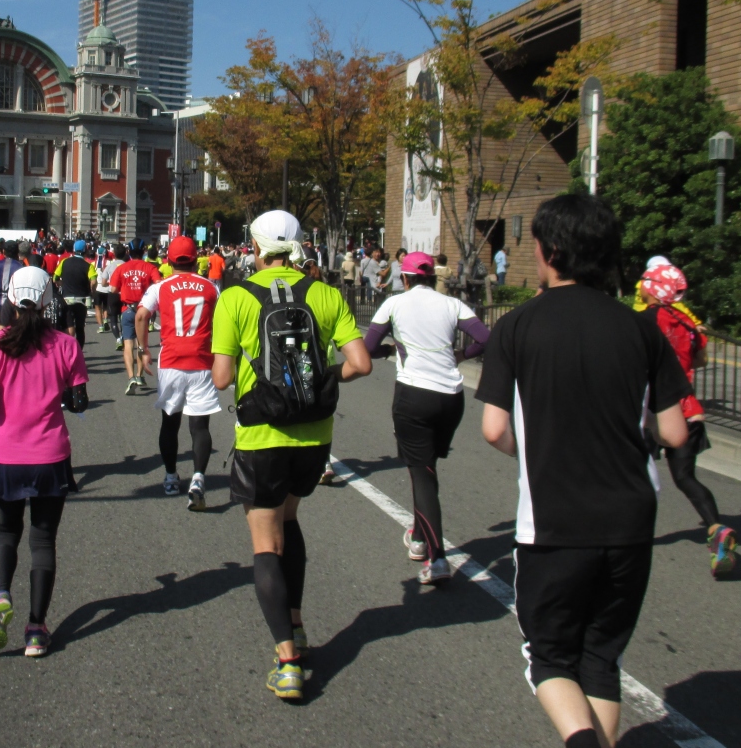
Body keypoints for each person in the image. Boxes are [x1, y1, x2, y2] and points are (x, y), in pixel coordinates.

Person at [475, 194, 690, 748]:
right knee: (600, 655)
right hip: (631, 518)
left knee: (548, 657)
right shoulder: (643, 330)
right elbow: (674, 433)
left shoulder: (517, 326)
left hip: (554, 517)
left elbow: (495, 429)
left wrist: (537, 451)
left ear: (550, 250)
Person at [211, 210, 372, 701]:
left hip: (262, 433)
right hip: (314, 435)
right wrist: (321, 379)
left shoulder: (235, 297)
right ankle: (297, 627)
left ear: (256, 247)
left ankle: (287, 662)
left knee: (266, 543)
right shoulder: (325, 294)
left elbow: (222, 378)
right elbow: (361, 364)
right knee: (290, 520)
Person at [0, 266, 88, 658]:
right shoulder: (66, 345)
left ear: (9, 297)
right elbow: (79, 402)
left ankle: (2, 593)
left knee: (5, 532)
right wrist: (58, 391)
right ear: (46, 301)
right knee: (43, 540)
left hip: (4, 453)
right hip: (50, 454)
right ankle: (36, 629)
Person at [363, 251, 491, 585]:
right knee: (427, 468)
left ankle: (438, 558)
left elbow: (369, 346)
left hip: (414, 395)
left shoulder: (394, 304)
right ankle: (419, 537)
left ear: (404, 278)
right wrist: (462, 354)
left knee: (421, 474)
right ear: (432, 277)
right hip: (451, 397)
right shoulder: (452, 304)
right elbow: (486, 339)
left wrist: (391, 350)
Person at [638, 263, 740, 578]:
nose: (640, 286)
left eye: (644, 281)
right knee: (685, 477)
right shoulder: (687, 323)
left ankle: (629, 534)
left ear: (652, 288)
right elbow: (700, 360)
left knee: (636, 472)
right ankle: (716, 527)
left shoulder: (644, 321)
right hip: (687, 408)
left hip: (653, 410)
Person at [135, 236, 221, 506]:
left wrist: (143, 350)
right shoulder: (210, 287)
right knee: (200, 426)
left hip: (171, 361)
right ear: (196, 260)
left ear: (169, 261)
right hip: (202, 360)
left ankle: (171, 477)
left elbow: (141, 315)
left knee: (170, 423)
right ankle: (198, 477)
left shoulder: (160, 287)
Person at [110, 247, 162, 395]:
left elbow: (113, 289)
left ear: (129, 253)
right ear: (143, 253)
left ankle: (131, 377)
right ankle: (139, 375)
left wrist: (124, 288)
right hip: (142, 309)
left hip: (126, 309)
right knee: (141, 344)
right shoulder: (149, 267)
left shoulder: (122, 268)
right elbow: (158, 283)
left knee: (128, 345)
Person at [54, 240, 97, 347]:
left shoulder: (64, 262)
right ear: (85, 251)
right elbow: (93, 281)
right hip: (82, 299)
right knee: (80, 327)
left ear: (74, 250)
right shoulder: (88, 265)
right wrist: (92, 291)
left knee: (67, 325)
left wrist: (61, 283)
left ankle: (67, 348)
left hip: (66, 298)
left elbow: (55, 278)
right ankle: (79, 351)